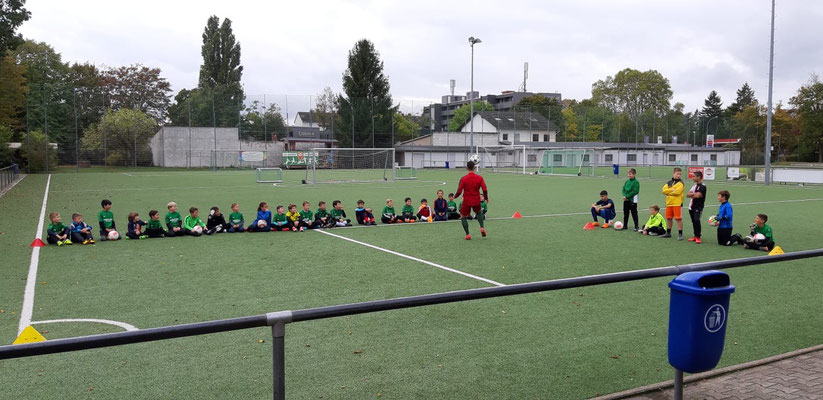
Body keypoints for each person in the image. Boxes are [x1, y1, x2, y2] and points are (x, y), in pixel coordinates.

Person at [454, 160, 489, 240]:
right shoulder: (480, 178)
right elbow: (485, 189)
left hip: (466, 200)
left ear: (467, 168)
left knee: (463, 216)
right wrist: (486, 198)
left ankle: (468, 234)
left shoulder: (463, 178)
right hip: (476, 199)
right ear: (474, 167)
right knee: (479, 212)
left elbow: (459, 190)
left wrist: (456, 196)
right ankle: (482, 227)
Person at [661, 167, 685, 240]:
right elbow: (663, 191)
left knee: (678, 219)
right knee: (668, 218)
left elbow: (677, 192)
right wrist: (672, 190)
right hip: (669, 203)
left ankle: (680, 234)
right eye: (677, 174)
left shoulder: (681, 183)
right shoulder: (669, 182)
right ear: (673, 173)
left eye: (680, 174)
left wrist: (668, 192)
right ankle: (668, 233)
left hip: (677, 203)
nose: (679, 175)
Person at [685, 171, 707, 244]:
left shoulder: (703, 186)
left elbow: (698, 196)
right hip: (691, 206)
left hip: (698, 207)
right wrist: (694, 194)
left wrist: (693, 194)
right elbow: (687, 195)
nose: (692, 178)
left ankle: (698, 236)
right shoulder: (694, 186)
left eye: (694, 176)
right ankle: (695, 235)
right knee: (693, 221)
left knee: (697, 220)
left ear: (699, 177)